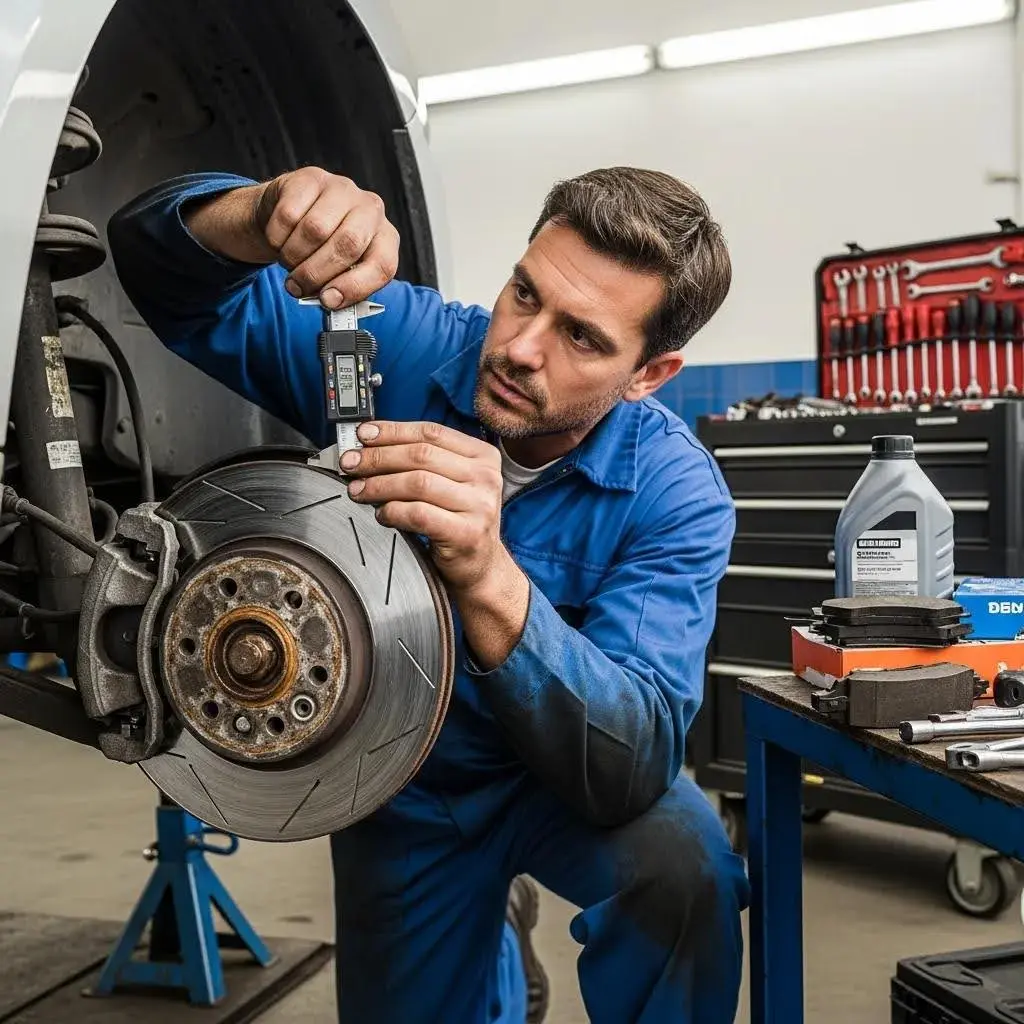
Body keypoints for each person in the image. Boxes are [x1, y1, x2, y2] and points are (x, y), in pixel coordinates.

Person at [107, 163, 750, 1024]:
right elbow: (171, 283)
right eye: (525, 294)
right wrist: (255, 213)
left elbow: (631, 761)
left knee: (687, 870)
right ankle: (496, 949)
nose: (522, 346)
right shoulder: (397, 345)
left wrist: (489, 575)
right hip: (403, 784)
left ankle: (508, 931)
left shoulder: (677, 493)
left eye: (583, 339)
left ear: (649, 374)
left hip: (560, 779)